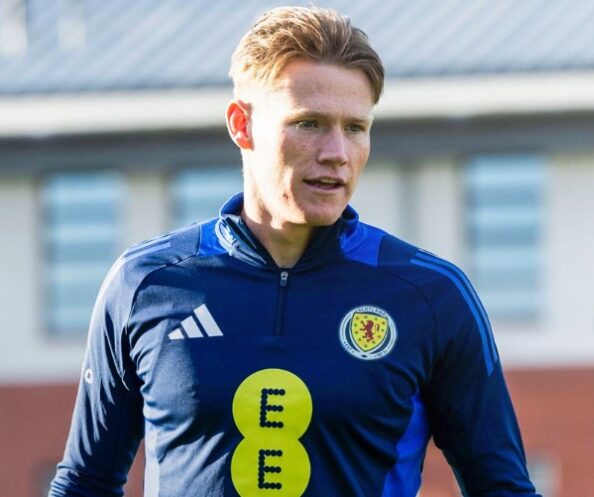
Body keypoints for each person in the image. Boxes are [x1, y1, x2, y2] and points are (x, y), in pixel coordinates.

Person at [49, 6, 540, 497]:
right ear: (242, 125)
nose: (337, 153)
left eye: (355, 127)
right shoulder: (146, 283)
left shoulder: (432, 296)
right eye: (309, 123)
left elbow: (503, 490)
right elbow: (84, 484)